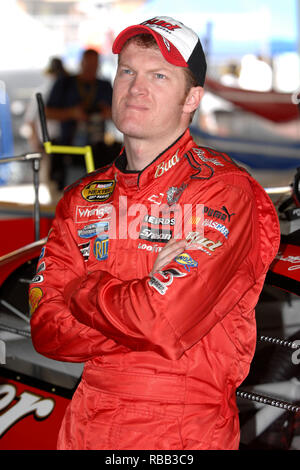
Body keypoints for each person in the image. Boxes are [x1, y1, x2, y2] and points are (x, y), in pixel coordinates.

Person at [29, 16, 280, 450]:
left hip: (180, 434)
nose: (136, 87)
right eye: (128, 71)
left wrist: (84, 291)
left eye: (159, 75)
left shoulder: (223, 191)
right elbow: (46, 331)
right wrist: (140, 296)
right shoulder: (83, 198)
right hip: (85, 425)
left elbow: (162, 323)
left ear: (192, 98)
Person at [46, 48, 115, 189]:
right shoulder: (65, 84)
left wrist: (106, 112)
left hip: (98, 149)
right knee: (70, 190)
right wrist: (71, 113)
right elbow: (47, 113)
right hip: (70, 149)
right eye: (88, 64)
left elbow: (118, 114)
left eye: (94, 65)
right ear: (81, 63)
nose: (91, 69)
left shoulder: (104, 85)